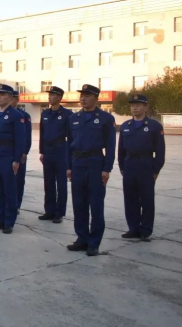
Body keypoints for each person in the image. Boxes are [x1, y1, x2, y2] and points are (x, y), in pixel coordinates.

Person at [66, 84, 116, 256]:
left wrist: (107, 168)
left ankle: (94, 242)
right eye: (82, 95)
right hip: (77, 163)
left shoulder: (105, 118)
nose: (83, 98)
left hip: (95, 163)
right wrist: (69, 166)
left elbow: (110, 146)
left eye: (87, 95)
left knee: (96, 205)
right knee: (79, 204)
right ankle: (82, 238)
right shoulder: (74, 118)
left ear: (96, 98)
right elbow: (69, 144)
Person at [118, 94, 165, 242]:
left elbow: (160, 151)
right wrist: (122, 166)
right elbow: (121, 150)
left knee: (147, 200)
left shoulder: (154, 126)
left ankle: (145, 230)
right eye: (132, 105)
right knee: (130, 199)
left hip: (146, 165)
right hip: (129, 165)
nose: (134, 108)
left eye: (138, 105)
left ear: (145, 107)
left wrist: (156, 170)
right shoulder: (126, 126)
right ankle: (133, 228)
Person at [0, 84, 25, 234]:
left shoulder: (16, 115)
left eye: (2, 94)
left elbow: (20, 139)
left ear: (10, 97)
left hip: (8, 156)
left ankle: (9, 222)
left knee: (9, 190)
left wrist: (17, 159)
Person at [38, 86, 72, 223]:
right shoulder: (45, 113)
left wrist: (69, 155)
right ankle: (49, 211)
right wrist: (42, 151)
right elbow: (42, 133)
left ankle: (59, 213)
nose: (50, 97)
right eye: (49, 95)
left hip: (61, 151)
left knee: (61, 184)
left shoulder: (67, 114)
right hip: (48, 151)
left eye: (52, 95)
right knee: (48, 183)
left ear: (59, 97)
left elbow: (71, 137)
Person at [11, 91, 32, 213]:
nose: (11, 101)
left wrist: (25, 152)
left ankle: (17, 205)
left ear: (17, 100)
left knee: (19, 180)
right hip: (6, 151)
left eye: (13, 98)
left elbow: (27, 136)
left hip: (19, 152)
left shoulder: (24, 115)